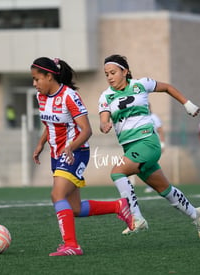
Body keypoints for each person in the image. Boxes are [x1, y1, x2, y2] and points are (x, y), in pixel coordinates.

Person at [31, 57, 134, 256]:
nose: (35, 84)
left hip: (76, 153)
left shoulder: (70, 96)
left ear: (49, 76)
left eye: (37, 79)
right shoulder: (40, 97)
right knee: (75, 209)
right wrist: (40, 143)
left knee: (57, 195)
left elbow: (86, 130)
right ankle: (119, 206)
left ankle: (71, 245)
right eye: (33, 80)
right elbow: (49, 124)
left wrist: (70, 147)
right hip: (57, 155)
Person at [98, 54, 200, 238]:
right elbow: (103, 119)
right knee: (165, 190)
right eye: (106, 74)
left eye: (113, 72)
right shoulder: (106, 96)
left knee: (117, 172)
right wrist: (104, 125)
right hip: (132, 149)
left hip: (148, 142)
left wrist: (187, 104)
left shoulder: (141, 84)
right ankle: (196, 214)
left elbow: (167, 87)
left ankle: (136, 218)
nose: (109, 77)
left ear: (125, 72)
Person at [144, 111, 165, 193]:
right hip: (145, 144)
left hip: (153, 143)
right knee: (148, 164)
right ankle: (153, 185)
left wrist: (162, 144)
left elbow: (160, 130)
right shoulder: (141, 118)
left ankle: (153, 185)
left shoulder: (154, 117)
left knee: (150, 164)